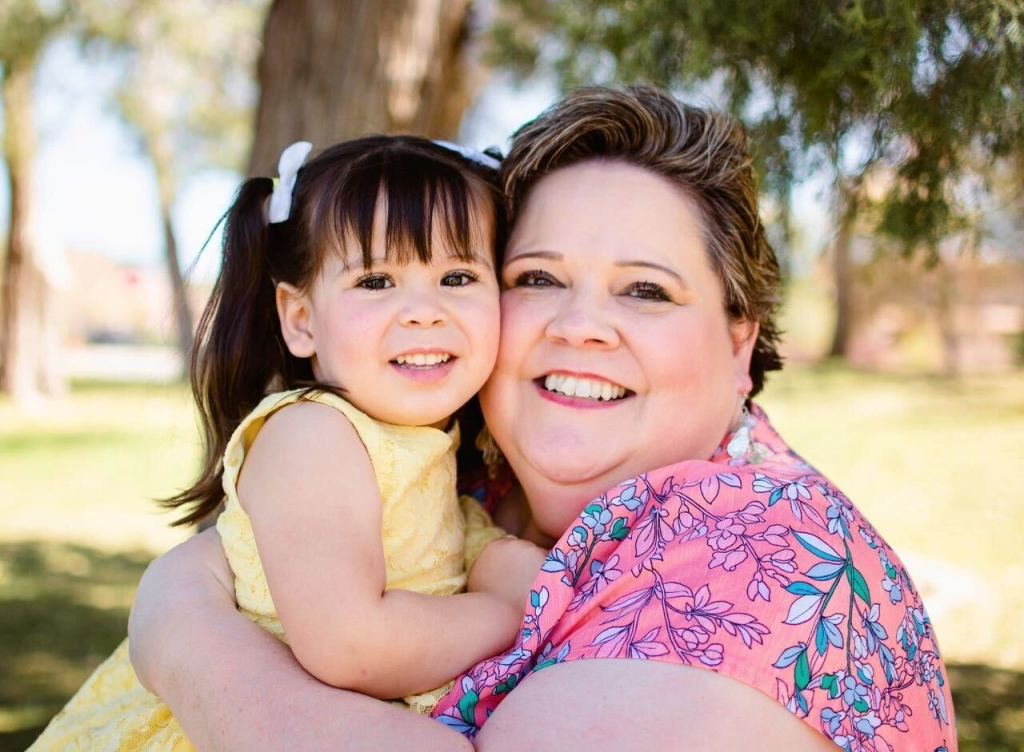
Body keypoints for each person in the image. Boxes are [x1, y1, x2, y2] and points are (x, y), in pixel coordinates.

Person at [128, 86, 958, 751]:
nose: (578, 327)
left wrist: (184, 636)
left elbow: (223, 596)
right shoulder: (463, 478)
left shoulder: (772, 554)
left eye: (646, 290)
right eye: (535, 278)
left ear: (740, 343)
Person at [30, 135, 547, 750]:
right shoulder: (311, 436)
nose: (423, 311)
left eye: (457, 276)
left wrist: (498, 555)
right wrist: (508, 609)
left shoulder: (422, 441)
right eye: (377, 281)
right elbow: (351, 646)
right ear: (301, 320)